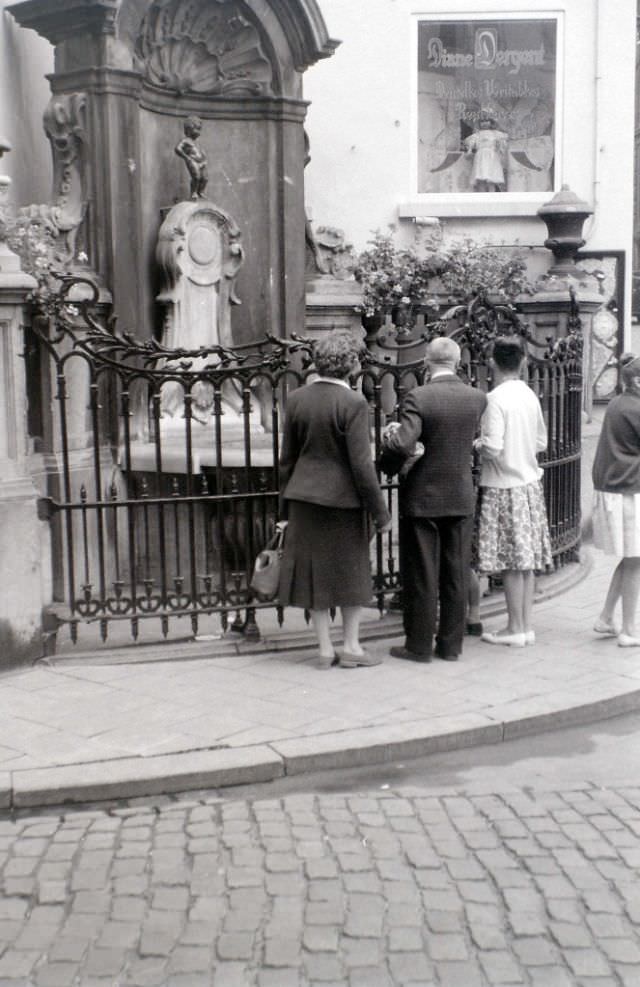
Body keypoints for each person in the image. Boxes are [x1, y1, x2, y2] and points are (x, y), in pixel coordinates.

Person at [278, 330, 391, 669]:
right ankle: (352, 647)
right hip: (344, 503)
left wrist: (283, 510)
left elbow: (287, 459)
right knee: (350, 573)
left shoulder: (297, 398)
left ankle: (325, 649)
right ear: (352, 364)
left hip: (304, 498)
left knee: (315, 574)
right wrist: (381, 513)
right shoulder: (353, 403)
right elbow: (361, 465)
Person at [380, 336, 487, 662]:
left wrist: (392, 435)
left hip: (424, 496)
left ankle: (419, 645)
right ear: (456, 362)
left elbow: (403, 443)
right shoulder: (477, 398)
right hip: (459, 494)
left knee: (423, 573)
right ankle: (451, 646)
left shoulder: (419, 397)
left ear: (426, 362)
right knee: (455, 571)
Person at [475, 336, 552, 647]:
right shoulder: (528, 395)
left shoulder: (494, 398)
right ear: (521, 362)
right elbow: (541, 442)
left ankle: (513, 628)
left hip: (503, 485)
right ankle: (525, 625)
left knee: (509, 560)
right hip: (529, 484)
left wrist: (477, 444)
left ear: (493, 362)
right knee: (526, 559)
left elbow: (493, 447)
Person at [591, 352, 640, 647]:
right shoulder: (635, 407)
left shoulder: (618, 403)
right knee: (636, 560)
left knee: (631, 557)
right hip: (629, 489)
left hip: (618, 487)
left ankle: (607, 617)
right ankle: (629, 630)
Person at [464, 116, 508, 192]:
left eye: (487, 121)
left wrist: (500, 147)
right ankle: (482, 196)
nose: (484, 123)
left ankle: (492, 196)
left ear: (491, 122)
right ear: (480, 123)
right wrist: (470, 150)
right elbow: (470, 143)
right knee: (481, 177)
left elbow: (503, 140)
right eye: (482, 121)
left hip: (491, 156)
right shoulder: (477, 134)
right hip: (481, 156)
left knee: (491, 179)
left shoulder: (495, 133)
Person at [175, 116, 208, 200]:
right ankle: (193, 193)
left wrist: (204, 159)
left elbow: (200, 151)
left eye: (200, 129)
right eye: (197, 129)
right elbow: (177, 149)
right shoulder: (186, 140)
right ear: (189, 129)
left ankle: (200, 192)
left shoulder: (196, 142)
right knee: (196, 177)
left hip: (201, 162)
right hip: (192, 160)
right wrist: (186, 157)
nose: (199, 132)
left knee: (205, 178)